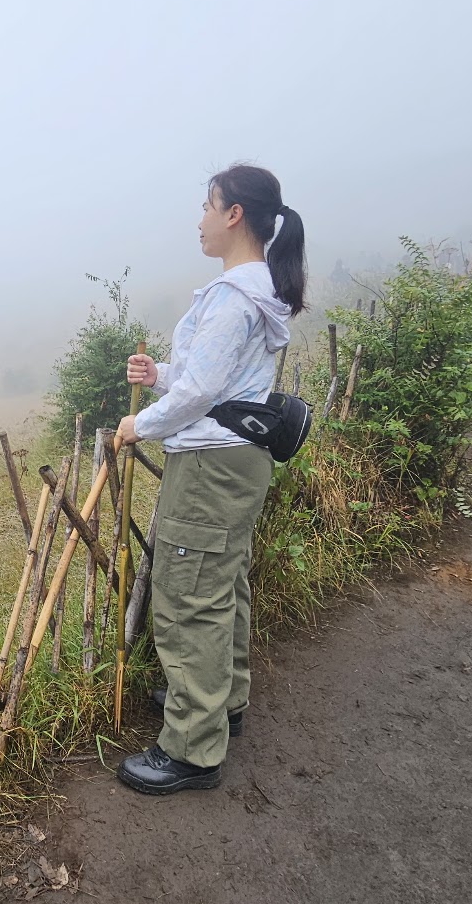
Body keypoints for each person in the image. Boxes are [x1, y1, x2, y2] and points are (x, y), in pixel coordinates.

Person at [113, 163, 304, 795]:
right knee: (223, 584)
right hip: (239, 457)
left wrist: (140, 424)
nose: (199, 219)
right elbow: (218, 382)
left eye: (207, 205)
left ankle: (193, 748)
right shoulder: (261, 290)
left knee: (189, 598)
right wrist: (160, 376)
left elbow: (201, 392)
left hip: (209, 465)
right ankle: (222, 701)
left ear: (234, 214)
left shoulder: (232, 296)